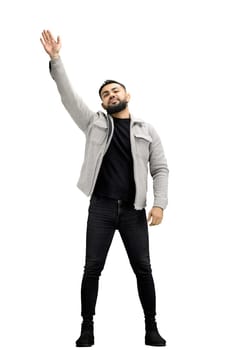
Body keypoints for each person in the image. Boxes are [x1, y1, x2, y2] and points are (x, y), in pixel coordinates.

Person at [40, 29, 169, 347]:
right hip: (100, 207)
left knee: (143, 268)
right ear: (102, 102)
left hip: (134, 210)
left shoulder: (146, 129)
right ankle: (87, 328)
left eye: (116, 91)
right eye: (106, 94)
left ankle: (151, 328)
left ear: (127, 95)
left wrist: (159, 203)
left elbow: (160, 168)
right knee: (92, 268)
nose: (111, 96)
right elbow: (68, 96)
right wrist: (56, 60)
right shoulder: (93, 122)